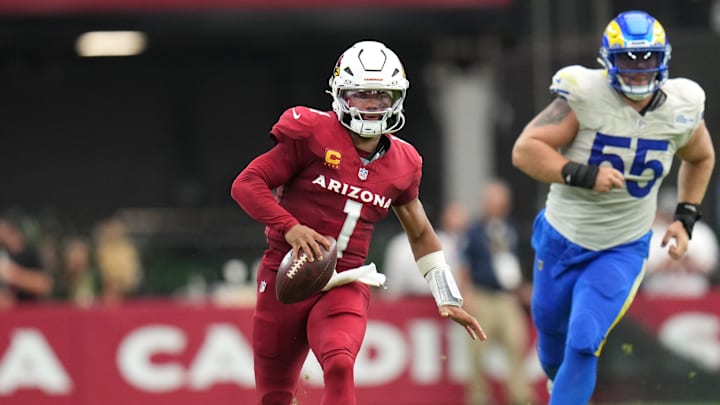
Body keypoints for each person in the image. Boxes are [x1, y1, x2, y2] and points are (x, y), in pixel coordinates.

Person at [231, 40, 485, 405]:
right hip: (285, 273)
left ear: (396, 98)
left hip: (346, 278)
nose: (370, 105)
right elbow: (247, 184)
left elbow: (421, 234)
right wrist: (291, 226)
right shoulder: (310, 134)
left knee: (339, 363)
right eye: (361, 94)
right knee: (274, 395)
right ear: (340, 95)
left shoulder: (404, 162)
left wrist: (446, 294)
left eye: (381, 96)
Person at [511, 10, 715, 405]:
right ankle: (562, 385)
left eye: (648, 59)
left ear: (664, 60)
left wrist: (686, 216)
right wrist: (583, 174)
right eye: (628, 60)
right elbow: (525, 151)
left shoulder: (682, 105)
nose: (639, 71)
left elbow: (701, 156)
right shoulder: (584, 95)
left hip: (621, 246)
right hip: (561, 237)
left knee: (585, 339)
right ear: (608, 61)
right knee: (551, 337)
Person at [457, 179, 534, 405]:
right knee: (477, 352)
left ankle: (520, 397)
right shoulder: (474, 230)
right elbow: (464, 263)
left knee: (516, 344)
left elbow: (519, 261)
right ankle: (479, 398)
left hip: (508, 297)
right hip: (482, 295)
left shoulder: (514, 229)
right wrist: (466, 292)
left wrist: (524, 287)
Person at [382, 200, 469, 299]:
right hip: (408, 301)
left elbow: (457, 277)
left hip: (439, 302)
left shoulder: (447, 242)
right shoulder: (399, 244)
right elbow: (394, 284)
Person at [642, 186, 719, 297]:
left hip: (695, 294)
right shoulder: (650, 233)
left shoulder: (701, 232)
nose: (671, 217)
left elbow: (712, 265)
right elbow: (639, 267)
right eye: (667, 213)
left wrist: (691, 263)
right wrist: (664, 265)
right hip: (657, 295)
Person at [0, 210, 53, 308]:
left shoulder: (30, 255)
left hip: (30, 312)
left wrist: (14, 275)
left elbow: (44, 284)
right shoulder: (4, 255)